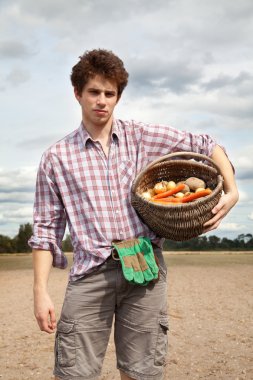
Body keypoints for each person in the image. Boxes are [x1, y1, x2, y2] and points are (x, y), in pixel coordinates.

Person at [29, 49, 239, 380]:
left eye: (109, 94)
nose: (102, 101)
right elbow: (45, 231)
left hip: (145, 267)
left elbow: (206, 143)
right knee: (73, 374)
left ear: (118, 96)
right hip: (90, 274)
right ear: (77, 94)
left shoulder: (142, 136)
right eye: (94, 92)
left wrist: (233, 190)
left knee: (141, 373)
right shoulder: (56, 157)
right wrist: (40, 292)